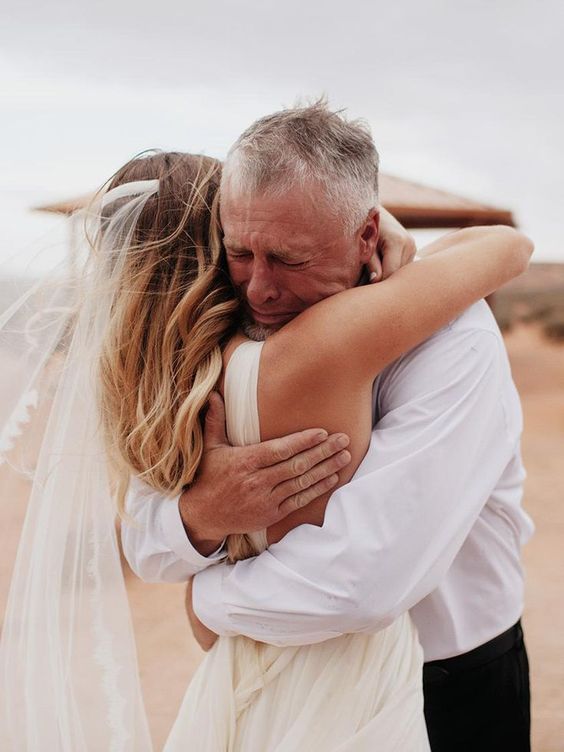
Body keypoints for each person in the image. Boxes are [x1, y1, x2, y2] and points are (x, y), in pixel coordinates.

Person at [121, 105, 534, 751]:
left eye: (289, 259)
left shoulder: (455, 340)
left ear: (368, 234)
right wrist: (200, 514)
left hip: (446, 681)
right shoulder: (225, 334)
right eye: (240, 252)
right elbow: (143, 536)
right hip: (269, 681)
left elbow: (360, 583)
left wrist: (207, 601)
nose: (260, 287)